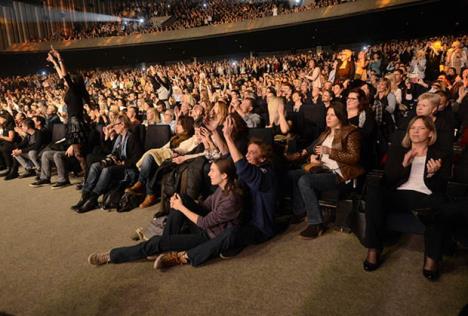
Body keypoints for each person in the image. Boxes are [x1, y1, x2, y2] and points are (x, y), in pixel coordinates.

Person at [150, 115, 278, 270]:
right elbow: (227, 158)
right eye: (248, 152)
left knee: (230, 233)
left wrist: (228, 138)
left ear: (263, 158)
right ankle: (165, 244)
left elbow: (243, 168)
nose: (247, 155)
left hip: (257, 227)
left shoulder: (265, 174)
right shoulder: (250, 169)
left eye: (253, 153)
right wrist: (215, 134)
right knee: (185, 200)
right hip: (240, 218)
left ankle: (184, 257)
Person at [87, 158, 242, 266]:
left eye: (213, 171)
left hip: (209, 236)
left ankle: (111, 256)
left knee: (156, 242)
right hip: (206, 225)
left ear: (224, 175)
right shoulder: (222, 188)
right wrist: (181, 202)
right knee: (183, 198)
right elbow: (205, 206)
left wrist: (180, 207)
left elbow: (204, 222)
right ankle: (164, 245)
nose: (209, 173)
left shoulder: (231, 199)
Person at [363, 116, 449, 281]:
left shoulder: (440, 154)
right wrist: (403, 165)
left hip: (425, 196)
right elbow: (388, 180)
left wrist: (432, 174)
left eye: (421, 128)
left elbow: (442, 188)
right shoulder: (398, 150)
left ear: (430, 133)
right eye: (412, 128)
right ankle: (373, 249)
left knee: (440, 204)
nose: (415, 131)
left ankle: (432, 259)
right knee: (374, 192)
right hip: (400, 194)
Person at [288, 102, 364, 237]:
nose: (328, 118)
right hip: (322, 168)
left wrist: (330, 151)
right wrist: (312, 158)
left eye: (332, 115)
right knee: (293, 175)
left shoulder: (351, 132)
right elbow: (313, 148)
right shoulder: (326, 133)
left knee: (305, 180)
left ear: (340, 117)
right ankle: (300, 211)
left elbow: (354, 158)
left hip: (339, 173)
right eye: (327, 114)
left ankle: (316, 223)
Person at [71, 114, 143, 213]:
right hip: (118, 164)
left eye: (115, 125)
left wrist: (123, 162)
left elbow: (137, 157)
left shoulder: (132, 137)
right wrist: (107, 136)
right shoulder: (119, 138)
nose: (113, 127)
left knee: (106, 170)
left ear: (122, 124)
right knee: (95, 166)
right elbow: (109, 151)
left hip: (127, 168)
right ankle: (85, 195)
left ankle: (93, 199)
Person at [126, 116, 196, 208]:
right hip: (165, 158)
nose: (176, 126)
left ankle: (142, 184)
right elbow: (163, 148)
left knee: (150, 158)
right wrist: (157, 154)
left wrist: (162, 153)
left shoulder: (191, 139)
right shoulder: (175, 138)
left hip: (175, 161)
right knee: (150, 157)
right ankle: (149, 193)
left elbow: (183, 150)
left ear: (186, 126)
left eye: (179, 124)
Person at [47, 47, 91, 174]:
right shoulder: (72, 91)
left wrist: (59, 58)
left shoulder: (74, 90)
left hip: (76, 124)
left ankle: (87, 179)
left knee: (79, 154)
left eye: (70, 79)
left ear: (74, 81)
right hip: (73, 122)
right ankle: (86, 177)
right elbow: (63, 76)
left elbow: (65, 76)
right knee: (79, 154)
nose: (66, 81)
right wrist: (54, 62)